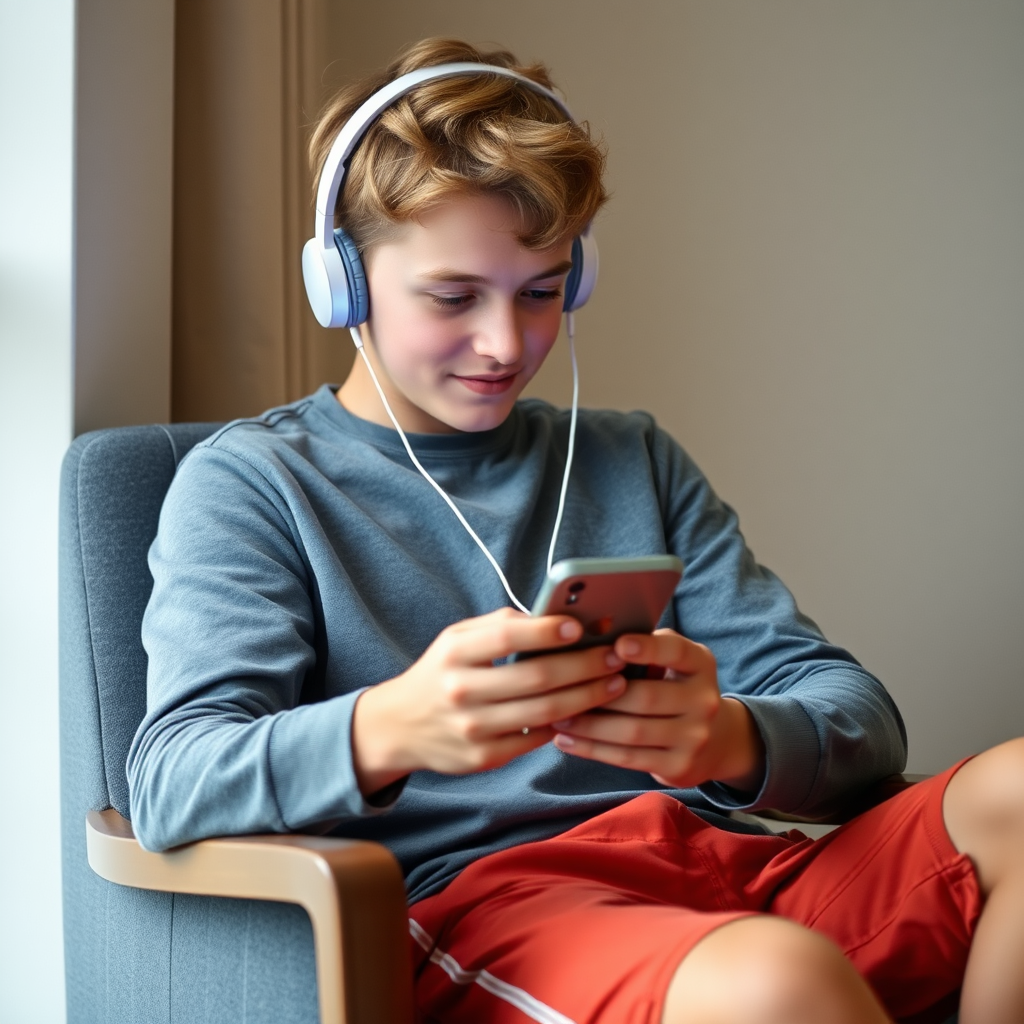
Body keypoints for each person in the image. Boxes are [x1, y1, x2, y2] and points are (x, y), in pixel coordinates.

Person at [127, 37, 1024, 1024]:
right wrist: (391, 724)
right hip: (496, 912)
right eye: (453, 297)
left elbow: (855, 716)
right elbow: (172, 778)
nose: (506, 344)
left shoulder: (629, 458)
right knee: (772, 979)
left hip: (722, 867)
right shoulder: (255, 484)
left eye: (543, 291)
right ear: (341, 283)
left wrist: (725, 736)